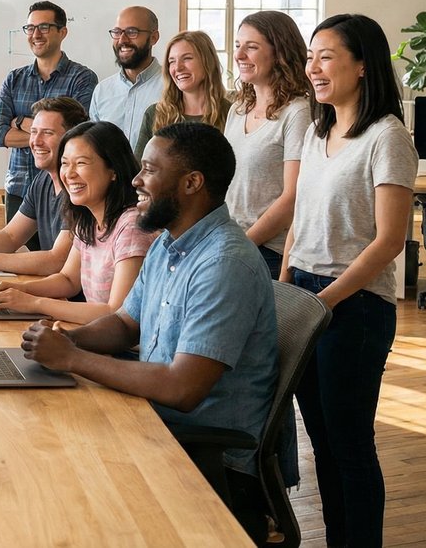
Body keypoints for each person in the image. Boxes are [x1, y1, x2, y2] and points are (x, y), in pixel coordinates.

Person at [21, 122, 276, 539]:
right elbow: (125, 323)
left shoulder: (223, 264)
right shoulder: (166, 243)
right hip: (156, 423)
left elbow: (182, 388)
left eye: (149, 170)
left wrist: (72, 358)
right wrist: (68, 340)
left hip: (205, 454)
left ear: (192, 182)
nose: (136, 180)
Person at [282, 14, 416, 548]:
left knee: (350, 444)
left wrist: (325, 301)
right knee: (321, 439)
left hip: (355, 305)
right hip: (307, 292)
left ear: (362, 66)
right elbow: (301, 216)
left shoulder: (388, 138)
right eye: (311, 57)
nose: (312, 67)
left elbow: (389, 241)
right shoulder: (319, 131)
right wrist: (288, 285)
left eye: (326, 56)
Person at [0, 121, 155, 324]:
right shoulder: (87, 218)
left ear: (113, 170)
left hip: (122, 351)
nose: (69, 174)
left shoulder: (131, 227)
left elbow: (116, 313)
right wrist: (18, 289)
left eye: (80, 163)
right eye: (64, 163)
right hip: (99, 338)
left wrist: (34, 303)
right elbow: (68, 280)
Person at [0, 96, 88, 276]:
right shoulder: (42, 180)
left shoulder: (79, 188)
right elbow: (10, 237)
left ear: (71, 138)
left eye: (47, 133)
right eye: (34, 132)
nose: (36, 141)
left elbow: (57, 261)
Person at [0, 1, 97, 221]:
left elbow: (74, 136)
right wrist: (49, 134)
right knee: (16, 252)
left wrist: (18, 121)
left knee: (58, 255)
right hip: (19, 189)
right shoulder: (14, 79)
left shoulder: (82, 78)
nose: (36, 34)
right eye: (30, 28)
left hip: (65, 190)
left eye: (44, 27)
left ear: (62, 32)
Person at [224, 11, 311, 279]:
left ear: (279, 53)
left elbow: (292, 197)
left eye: (251, 47)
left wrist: (243, 245)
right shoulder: (238, 108)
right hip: (230, 242)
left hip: (268, 251)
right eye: (238, 45)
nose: (239, 55)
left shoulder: (297, 112)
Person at [133, 30, 229, 157]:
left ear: (208, 62)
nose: (177, 68)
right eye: (172, 61)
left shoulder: (231, 114)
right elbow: (139, 172)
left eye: (187, 58)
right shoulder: (155, 114)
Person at [89, 6, 163, 142]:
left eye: (132, 32)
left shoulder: (171, 86)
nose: (122, 40)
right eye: (117, 32)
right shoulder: (102, 91)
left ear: (153, 37)